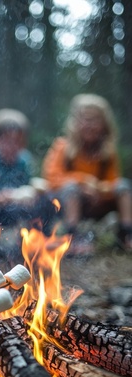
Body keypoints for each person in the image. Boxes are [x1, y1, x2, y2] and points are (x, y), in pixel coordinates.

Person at [41, 93, 132, 256]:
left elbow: (112, 181)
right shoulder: (63, 147)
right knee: (71, 189)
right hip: (68, 203)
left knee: (124, 186)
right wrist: (83, 182)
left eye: (94, 120)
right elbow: (51, 178)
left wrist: (99, 190)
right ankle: (72, 237)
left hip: (99, 202)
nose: (89, 125)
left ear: (104, 124)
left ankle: (127, 234)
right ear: (74, 122)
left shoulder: (107, 152)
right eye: (84, 119)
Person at [0, 109, 54, 261]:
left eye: (18, 141)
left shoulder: (24, 162)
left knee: (45, 200)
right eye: (8, 140)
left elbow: (27, 187)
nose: (13, 146)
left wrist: (29, 195)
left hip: (15, 208)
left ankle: (35, 247)